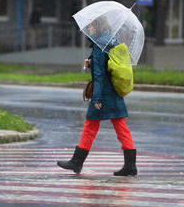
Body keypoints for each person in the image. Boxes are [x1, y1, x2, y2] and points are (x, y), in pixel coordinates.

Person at [57, 17, 137, 176]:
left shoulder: (99, 46)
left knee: (90, 128)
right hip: (114, 93)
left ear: (98, 27)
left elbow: (100, 76)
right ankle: (130, 166)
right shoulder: (110, 41)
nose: (89, 29)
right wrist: (91, 62)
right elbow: (107, 66)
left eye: (91, 26)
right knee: (121, 128)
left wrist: (97, 99)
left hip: (103, 94)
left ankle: (76, 162)